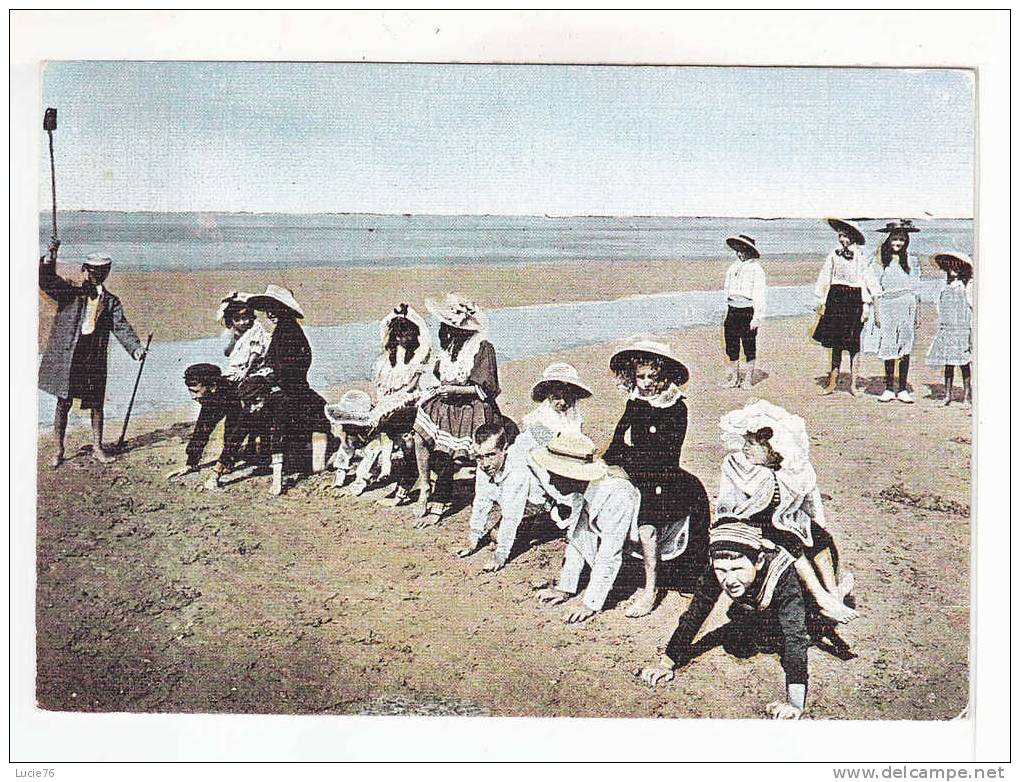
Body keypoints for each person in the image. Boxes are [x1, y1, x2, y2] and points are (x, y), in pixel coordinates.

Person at [635, 521, 814, 720]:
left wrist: (795, 703)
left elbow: (795, 636)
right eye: (722, 570)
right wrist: (666, 663)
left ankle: (838, 592)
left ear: (759, 560)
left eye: (737, 568)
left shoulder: (781, 572)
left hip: (804, 597)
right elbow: (695, 613)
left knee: (809, 619)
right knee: (749, 612)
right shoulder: (717, 568)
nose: (728, 579)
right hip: (758, 600)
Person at [717, 399, 857, 624]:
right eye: (745, 442)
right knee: (791, 545)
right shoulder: (740, 468)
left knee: (818, 537)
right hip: (750, 526)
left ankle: (832, 593)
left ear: (771, 449)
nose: (745, 449)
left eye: (752, 444)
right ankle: (822, 598)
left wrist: (813, 523)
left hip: (779, 522)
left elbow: (807, 502)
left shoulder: (789, 472)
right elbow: (731, 507)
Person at [603, 337, 692, 618]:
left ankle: (650, 589)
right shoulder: (635, 402)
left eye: (652, 377)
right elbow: (618, 441)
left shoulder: (677, 407)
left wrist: (629, 461)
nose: (645, 383)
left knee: (647, 525)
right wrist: (606, 465)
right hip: (636, 468)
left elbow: (665, 453)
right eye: (640, 376)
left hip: (663, 475)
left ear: (663, 376)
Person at [38, 241, 147, 467]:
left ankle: (98, 447)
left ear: (107, 273)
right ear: (84, 270)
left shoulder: (111, 301)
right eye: (93, 271)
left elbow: (121, 326)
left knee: (96, 404)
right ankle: (58, 450)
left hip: (93, 356)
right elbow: (47, 281)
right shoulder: (69, 292)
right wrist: (50, 257)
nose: (97, 275)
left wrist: (135, 348)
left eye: (102, 272)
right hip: (69, 355)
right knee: (63, 402)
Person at [412, 293, 503, 528]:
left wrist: (454, 390)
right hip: (449, 403)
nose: (446, 329)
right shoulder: (451, 346)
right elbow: (439, 374)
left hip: (472, 407)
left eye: (451, 326)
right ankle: (424, 486)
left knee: (448, 452)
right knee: (419, 435)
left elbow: (488, 388)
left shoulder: (482, 348)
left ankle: (439, 503)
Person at [532, 432, 642, 624]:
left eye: (554, 475)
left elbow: (610, 553)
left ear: (571, 475)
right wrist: (565, 588)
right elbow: (578, 536)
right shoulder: (582, 490)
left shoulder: (617, 494)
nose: (549, 482)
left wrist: (590, 603)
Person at [352, 304, 434, 503]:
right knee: (372, 423)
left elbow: (412, 387)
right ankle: (362, 476)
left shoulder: (417, 358)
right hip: (388, 400)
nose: (404, 339)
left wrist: (410, 314)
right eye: (400, 335)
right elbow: (379, 386)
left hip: (408, 400)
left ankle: (389, 480)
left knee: (387, 424)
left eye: (408, 335)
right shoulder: (386, 360)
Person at [456, 422, 563, 572]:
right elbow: (482, 500)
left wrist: (500, 555)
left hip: (544, 500)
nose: (485, 463)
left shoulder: (517, 467)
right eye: (479, 457)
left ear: (504, 449)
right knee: (495, 535)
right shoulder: (484, 465)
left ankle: (558, 521)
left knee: (499, 536)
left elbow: (511, 516)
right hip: (522, 500)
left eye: (490, 455)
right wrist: (472, 540)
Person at [247, 285, 330, 474]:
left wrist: (271, 379)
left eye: (274, 309)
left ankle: (308, 463)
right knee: (317, 417)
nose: (270, 314)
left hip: (292, 390)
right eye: (268, 310)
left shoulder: (287, 332)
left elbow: (290, 366)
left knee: (313, 418)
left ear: (284, 309)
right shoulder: (286, 330)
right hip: (293, 388)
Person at [812, 218, 879, 396]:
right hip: (836, 298)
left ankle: (853, 385)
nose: (843, 239)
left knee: (853, 344)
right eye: (841, 236)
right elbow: (825, 277)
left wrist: (866, 307)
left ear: (854, 238)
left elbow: (868, 281)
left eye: (846, 236)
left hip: (854, 300)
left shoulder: (860, 256)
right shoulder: (833, 254)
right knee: (835, 344)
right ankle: (832, 382)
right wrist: (821, 301)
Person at [862, 220, 923, 403]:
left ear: (907, 241)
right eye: (895, 238)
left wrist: (918, 313)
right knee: (888, 345)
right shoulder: (880, 260)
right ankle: (889, 388)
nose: (898, 242)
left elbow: (916, 289)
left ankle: (902, 388)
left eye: (902, 239)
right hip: (887, 306)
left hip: (907, 305)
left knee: (904, 346)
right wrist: (877, 313)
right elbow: (876, 289)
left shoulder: (912, 260)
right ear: (888, 240)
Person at [165, 363, 247, 489]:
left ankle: (229, 463)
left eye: (196, 391)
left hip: (237, 403)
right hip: (216, 400)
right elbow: (201, 431)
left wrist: (216, 473)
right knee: (202, 428)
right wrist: (191, 464)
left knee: (230, 433)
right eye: (190, 392)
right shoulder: (208, 395)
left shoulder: (232, 394)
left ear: (212, 387)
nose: (193, 397)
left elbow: (234, 437)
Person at [925, 252, 974, 407]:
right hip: (947, 329)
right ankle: (947, 395)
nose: (952, 268)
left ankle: (967, 396)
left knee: (964, 364)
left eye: (956, 265)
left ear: (962, 268)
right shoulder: (943, 285)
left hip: (962, 329)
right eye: (949, 265)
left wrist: (971, 332)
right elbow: (938, 305)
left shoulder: (967, 286)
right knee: (948, 363)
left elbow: (972, 308)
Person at [721, 234, 766, 390]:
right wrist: (725, 308)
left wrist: (757, 318)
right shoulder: (732, 267)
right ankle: (734, 378)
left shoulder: (756, 269)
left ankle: (748, 379)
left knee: (748, 346)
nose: (740, 254)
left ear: (750, 251)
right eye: (738, 250)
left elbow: (759, 295)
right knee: (731, 346)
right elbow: (727, 290)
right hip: (732, 309)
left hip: (747, 311)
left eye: (744, 250)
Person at [521, 362, 590, 445]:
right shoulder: (537, 422)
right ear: (548, 395)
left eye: (568, 397)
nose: (563, 402)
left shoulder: (574, 417)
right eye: (557, 397)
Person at [217, 292, 270, 384]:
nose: (242, 322)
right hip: (235, 369)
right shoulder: (233, 331)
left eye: (245, 318)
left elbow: (255, 352)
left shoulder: (255, 328)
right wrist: (234, 338)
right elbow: (226, 352)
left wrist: (245, 372)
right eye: (237, 320)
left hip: (251, 368)